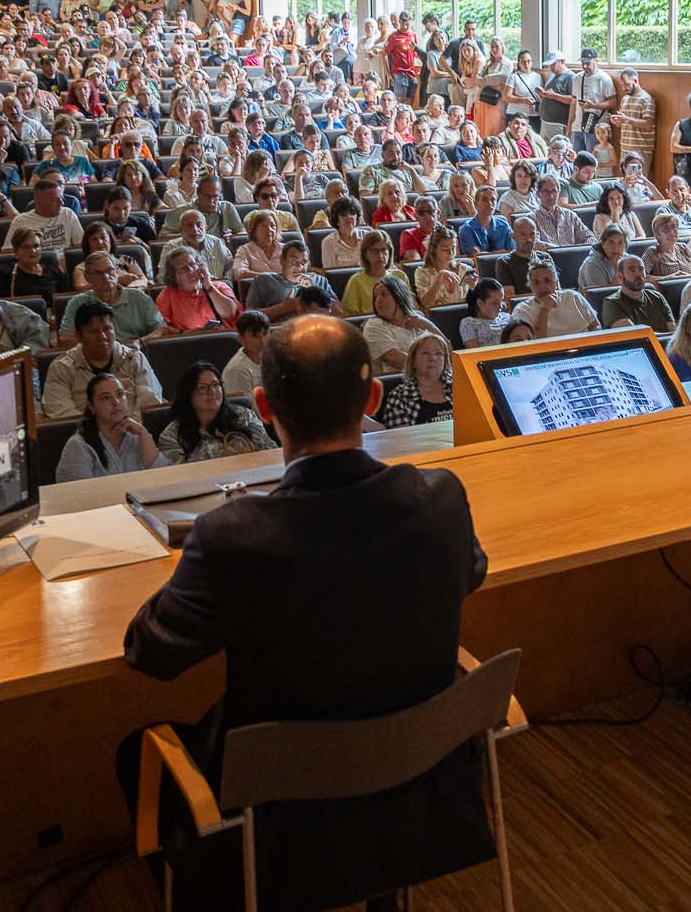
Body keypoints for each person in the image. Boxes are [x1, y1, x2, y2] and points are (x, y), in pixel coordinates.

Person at [119, 314, 491, 912]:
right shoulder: (441, 497)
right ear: (373, 397)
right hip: (416, 775)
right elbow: (470, 572)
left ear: (263, 406)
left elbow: (149, 653)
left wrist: (195, 573)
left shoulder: (230, 537)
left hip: (280, 805)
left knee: (136, 750)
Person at [156, 361, 270, 465]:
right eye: (202, 388)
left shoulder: (246, 417)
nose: (212, 392)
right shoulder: (172, 436)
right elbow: (177, 478)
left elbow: (269, 453)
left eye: (216, 384)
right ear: (188, 395)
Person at [57, 375, 160, 482]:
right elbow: (80, 495)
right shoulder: (78, 446)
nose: (116, 402)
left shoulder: (138, 435)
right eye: (105, 397)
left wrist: (143, 433)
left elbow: (163, 479)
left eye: (120, 394)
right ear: (91, 407)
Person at [154, 247, 240, 332]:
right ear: (175, 276)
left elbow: (230, 313)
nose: (190, 270)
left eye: (192, 264)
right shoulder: (167, 295)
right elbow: (161, 327)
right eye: (183, 268)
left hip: (225, 338)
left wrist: (208, 286)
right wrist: (184, 333)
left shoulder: (219, 286)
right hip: (189, 342)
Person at [379, 333, 455, 428]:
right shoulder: (399, 396)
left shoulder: (462, 387)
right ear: (413, 362)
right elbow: (402, 439)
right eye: (425, 353)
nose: (433, 358)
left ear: (445, 361)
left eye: (438, 353)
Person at [511, 259, 599, 338]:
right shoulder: (522, 310)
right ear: (530, 286)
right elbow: (535, 343)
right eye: (536, 283)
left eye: (547, 280)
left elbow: (596, 325)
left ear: (556, 283)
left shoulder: (573, 297)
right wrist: (544, 309)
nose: (542, 287)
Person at [8, 175, 86, 255]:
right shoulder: (20, 221)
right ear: (38, 203)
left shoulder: (68, 214)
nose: (61, 203)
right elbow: (8, 251)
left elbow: (80, 245)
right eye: (53, 200)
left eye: (61, 198)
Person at [599, 254, 675, 332]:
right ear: (620, 277)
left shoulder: (657, 297)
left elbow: (672, 330)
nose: (639, 274)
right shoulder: (612, 303)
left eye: (641, 269)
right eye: (632, 270)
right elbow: (636, 336)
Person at [527, 176, 593, 248]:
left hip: (573, 255)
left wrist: (580, 249)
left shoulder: (570, 215)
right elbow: (534, 243)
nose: (551, 196)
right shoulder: (532, 218)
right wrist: (559, 250)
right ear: (538, 194)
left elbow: (588, 235)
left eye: (554, 191)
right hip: (548, 256)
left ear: (559, 193)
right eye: (546, 191)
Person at [221, 311, 268, 400]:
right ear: (241, 339)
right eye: (255, 336)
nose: (262, 341)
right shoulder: (237, 370)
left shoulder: (270, 356)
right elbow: (245, 409)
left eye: (265, 334)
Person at [457, 185, 514, 256]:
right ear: (476, 204)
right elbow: (476, 257)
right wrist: (501, 251)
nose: (489, 203)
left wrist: (483, 253)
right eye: (484, 199)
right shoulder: (466, 229)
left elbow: (512, 251)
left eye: (493, 200)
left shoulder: (504, 225)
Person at [641, 211, 691, 280]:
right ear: (657, 235)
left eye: (674, 227)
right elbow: (642, 276)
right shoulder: (652, 252)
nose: (671, 232)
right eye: (666, 229)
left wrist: (689, 276)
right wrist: (669, 278)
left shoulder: (683, 247)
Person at [458, 279, 509, 350]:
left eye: (502, 301)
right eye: (494, 303)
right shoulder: (469, 323)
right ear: (480, 303)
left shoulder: (507, 317)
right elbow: (474, 354)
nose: (501, 306)